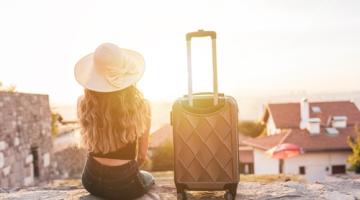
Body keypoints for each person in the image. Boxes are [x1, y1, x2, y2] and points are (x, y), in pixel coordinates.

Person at [74, 43, 155, 200]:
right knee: (148, 177)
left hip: (91, 181)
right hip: (126, 184)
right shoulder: (143, 106)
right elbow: (142, 155)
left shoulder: (83, 104)